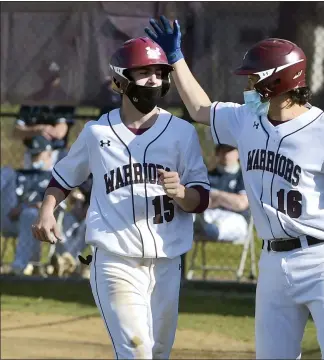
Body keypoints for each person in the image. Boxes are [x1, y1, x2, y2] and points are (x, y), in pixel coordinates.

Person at [144, 16, 324, 359]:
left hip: (322, 260)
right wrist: (176, 58)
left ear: (278, 81)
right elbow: (199, 109)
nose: (248, 86)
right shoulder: (247, 120)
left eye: (255, 78)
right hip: (272, 263)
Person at [32, 37, 210, 359]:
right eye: (143, 72)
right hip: (115, 259)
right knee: (136, 351)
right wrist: (47, 210)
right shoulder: (97, 133)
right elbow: (62, 178)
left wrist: (182, 193)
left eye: (159, 72)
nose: (154, 79)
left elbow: (201, 197)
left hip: (167, 261)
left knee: (157, 353)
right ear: (119, 80)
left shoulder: (182, 133)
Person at [0, 136, 54, 275]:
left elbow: (57, 205)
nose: (34, 159)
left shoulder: (55, 178)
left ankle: (19, 266)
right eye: (32, 154)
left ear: (49, 154)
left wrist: (24, 207)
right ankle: (26, 265)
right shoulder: (19, 175)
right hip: (9, 218)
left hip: (40, 222)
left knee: (29, 214)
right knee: (7, 171)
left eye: (37, 154)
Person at [195, 144, 249, 243]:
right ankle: (202, 229)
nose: (225, 154)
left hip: (235, 217)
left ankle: (209, 230)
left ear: (238, 153)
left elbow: (241, 204)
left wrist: (216, 195)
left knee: (217, 227)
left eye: (229, 150)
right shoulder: (207, 176)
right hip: (209, 214)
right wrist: (227, 199)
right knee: (190, 218)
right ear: (217, 153)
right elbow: (198, 202)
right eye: (222, 150)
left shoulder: (244, 177)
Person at [13, 104, 75, 169]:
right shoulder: (30, 103)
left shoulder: (63, 100)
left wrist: (46, 130)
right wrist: (37, 130)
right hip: (32, 152)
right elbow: (16, 132)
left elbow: (60, 132)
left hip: (56, 154)